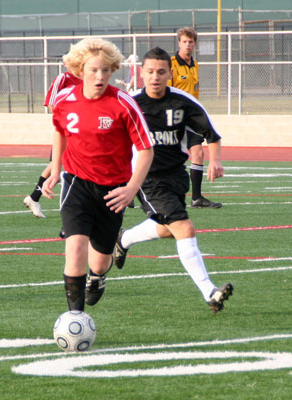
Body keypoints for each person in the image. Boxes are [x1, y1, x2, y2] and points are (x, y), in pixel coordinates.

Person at [113, 47, 233, 314]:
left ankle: (124, 240)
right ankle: (210, 292)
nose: (155, 77)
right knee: (184, 228)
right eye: (150, 71)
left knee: (168, 229)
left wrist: (215, 160)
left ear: (170, 73)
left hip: (176, 175)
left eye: (161, 72)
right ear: (141, 72)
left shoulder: (183, 101)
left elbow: (211, 134)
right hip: (147, 178)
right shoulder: (129, 102)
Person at [41, 38, 154, 312]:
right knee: (75, 247)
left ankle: (98, 276)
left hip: (114, 191)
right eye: (93, 70)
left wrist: (131, 189)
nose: (100, 76)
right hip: (77, 183)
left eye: (105, 70)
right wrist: (56, 168)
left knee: (100, 261)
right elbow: (59, 130)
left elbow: (147, 149)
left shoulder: (123, 103)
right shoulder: (65, 101)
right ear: (80, 71)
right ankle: (75, 318)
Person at [168, 27, 222, 209]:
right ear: (179, 43)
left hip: (191, 117)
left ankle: (196, 198)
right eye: (184, 42)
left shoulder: (195, 65)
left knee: (198, 152)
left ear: (195, 44)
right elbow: (167, 93)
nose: (188, 45)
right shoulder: (171, 64)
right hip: (174, 117)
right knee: (161, 156)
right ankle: (133, 188)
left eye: (191, 42)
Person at [23, 65, 82, 219]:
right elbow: (50, 102)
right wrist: (65, 121)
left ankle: (34, 197)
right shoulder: (64, 78)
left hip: (83, 129)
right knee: (60, 163)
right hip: (69, 128)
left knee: (58, 163)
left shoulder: (87, 79)